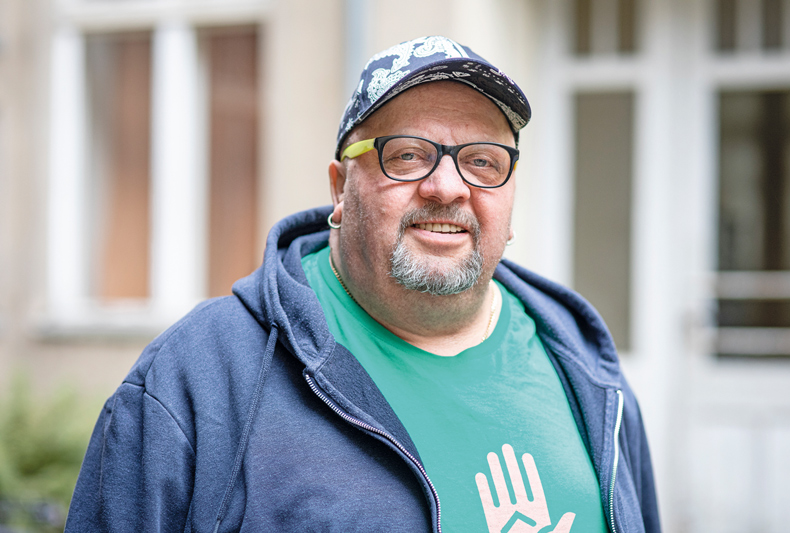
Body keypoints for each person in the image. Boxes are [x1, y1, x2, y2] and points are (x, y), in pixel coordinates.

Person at [66, 36, 660, 533]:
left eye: (482, 161)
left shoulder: (583, 365)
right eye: (407, 155)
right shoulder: (201, 376)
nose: (448, 187)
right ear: (340, 188)